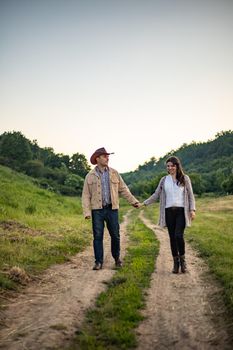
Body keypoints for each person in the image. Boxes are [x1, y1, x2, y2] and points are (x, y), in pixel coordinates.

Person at [82, 147, 139, 270]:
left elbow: (124, 189)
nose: (108, 158)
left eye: (108, 156)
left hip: (112, 209)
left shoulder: (114, 173)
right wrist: (87, 212)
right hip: (97, 210)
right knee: (98, 236)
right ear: (97, 158)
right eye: (105, 156)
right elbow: (86, 195)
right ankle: (98, 262)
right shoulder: (90, 176)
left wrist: (133, 201)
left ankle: (117, 259)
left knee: (115, 235)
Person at [138, 156, 196, 273]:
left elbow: (191, 195)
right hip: (168, 212)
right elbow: (156, 194)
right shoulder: (164, 180)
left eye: (172, 166)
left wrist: (192, 209)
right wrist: (144, 203)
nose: (170, 168)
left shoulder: (185, 178)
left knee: (178, 235)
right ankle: (176, 263)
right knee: (172, 238)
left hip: (181, 211)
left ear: (177, 166)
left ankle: (183, 261)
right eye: (168, 166)